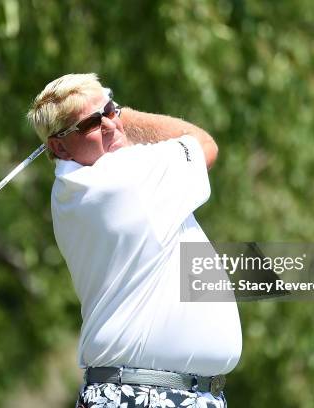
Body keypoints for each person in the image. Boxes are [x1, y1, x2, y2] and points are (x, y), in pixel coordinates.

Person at [27, 73, 241, 408]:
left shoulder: (68, 192)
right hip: (145, 394)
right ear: (58, 146)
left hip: (157, 392)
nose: (110, 125)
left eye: (109, 111)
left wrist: (102, 115)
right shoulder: (125, 178)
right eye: (91, 124)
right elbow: (204, 144)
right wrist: (123, 112)